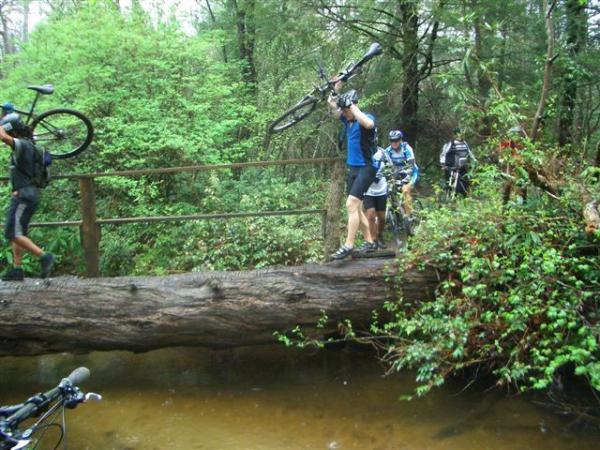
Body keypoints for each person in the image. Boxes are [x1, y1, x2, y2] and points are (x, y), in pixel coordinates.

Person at [0, 113, 54, 281]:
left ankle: (44, 256)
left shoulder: (22, 145)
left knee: (11, 232)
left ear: (13, 131)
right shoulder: (30, 144)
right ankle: (17, 269)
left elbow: (3, 137)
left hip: (25, 195)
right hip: (27, 193)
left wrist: (2, 127)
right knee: (19, 231)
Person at [327, 87, 378, 260]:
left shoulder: (365, 119)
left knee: (350, 204)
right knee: (357, 208)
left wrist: (353, 106)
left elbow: (369, 124)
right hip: (353, 168)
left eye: (345, 110)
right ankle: (370, 242)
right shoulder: (347, 120)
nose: (343, 113)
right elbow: (331, 105)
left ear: (352, 107)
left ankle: (349, 244)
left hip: (366, 168)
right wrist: (335, 90)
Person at [384, 130, 419, 216]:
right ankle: (396, 212)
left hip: (411, 173)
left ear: (400, 140)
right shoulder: (388, 151)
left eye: (396, 140)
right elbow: (384, 166)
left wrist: (406, 178)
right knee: (388, 190)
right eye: (392, 141)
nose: (394, 143)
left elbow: (411, 165)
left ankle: (409, 217)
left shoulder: (407, 149)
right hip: (396, 174)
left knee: (405, 190)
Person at [363, 147, 388, 249]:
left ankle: (379, 235)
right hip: (368, 190)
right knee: (371, 215)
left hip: (381, 189)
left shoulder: (383, 152)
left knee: (381, 217)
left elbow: (391, 166)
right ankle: (372, 240)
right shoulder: (362, 152)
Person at [439, 127, 475, 196]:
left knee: (465, 183)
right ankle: (449, 196)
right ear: (455, 134)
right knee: (451, 183)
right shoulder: (451, 143)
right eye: (459, 133)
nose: (461, 135)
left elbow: (470, 153)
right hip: (452, 168)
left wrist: (474, 160)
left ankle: (464, 197)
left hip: (462, 168)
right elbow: (444, 153)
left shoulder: (465, 143)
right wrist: (443, 164)